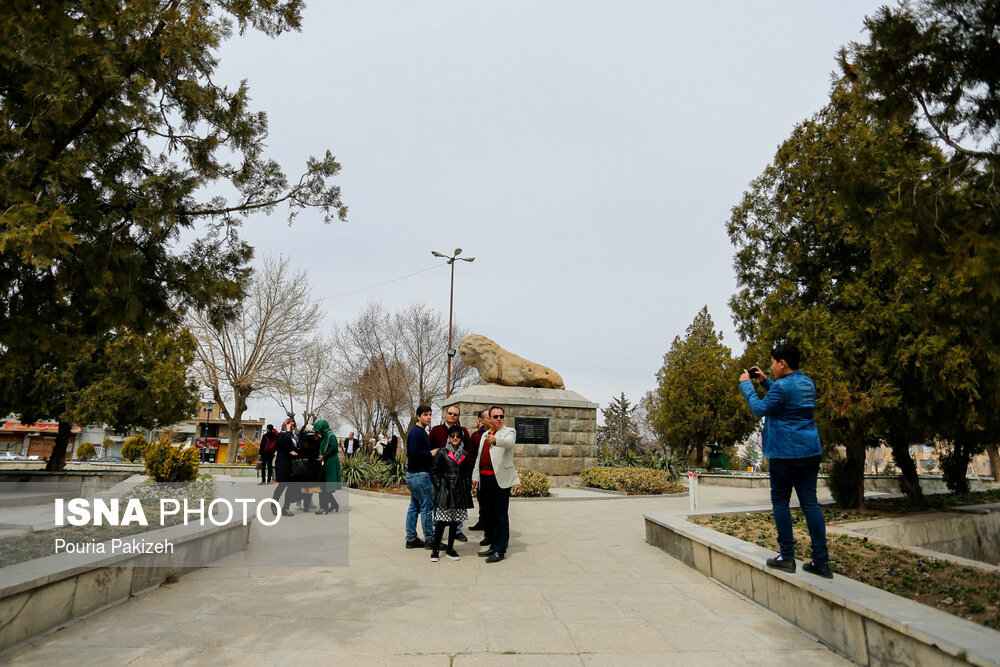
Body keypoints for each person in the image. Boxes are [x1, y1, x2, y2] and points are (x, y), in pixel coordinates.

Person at [739, 342, 831, 579]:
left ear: (783, 363)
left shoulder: (781, 387)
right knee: (810, 504)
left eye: (772, 363)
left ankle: (786, 557)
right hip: (810, 452)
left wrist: (747, 386)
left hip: (784, 454)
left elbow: (760, 409)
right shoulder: (807, 383)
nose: (770, 366)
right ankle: (821, 562)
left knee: (780, 502)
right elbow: (785, 398)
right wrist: (764, 381)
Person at [473, 405, 518, 563]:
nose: (499, 419)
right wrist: (475, 477)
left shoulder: (509, 432)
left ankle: (500, 549)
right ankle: (493, 545)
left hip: (500, 480)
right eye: (496, 416)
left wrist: (496, 440)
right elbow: (479, 458)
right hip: (485, 480)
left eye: (501, 416)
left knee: (499, 515)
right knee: (489, 515)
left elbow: (509, 443)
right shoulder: (485, 434)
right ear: (489, 419)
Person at [429, 425, 474, 562]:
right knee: (442, 521)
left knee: (455, 522)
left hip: (459, 492)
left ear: (461, 438)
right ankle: (435, 550)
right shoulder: (442, 452)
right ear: (448, 437)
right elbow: (434, 471)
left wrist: (467, 487)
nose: (455, 438)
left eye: (458, 436)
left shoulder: (465, 455)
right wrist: (439, 485)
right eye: (452, 435)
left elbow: (467, 473)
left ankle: (450, 549)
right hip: (445, 491)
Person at [405, 406, 436, 549]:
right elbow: (412, 453)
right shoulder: (417, 432)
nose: (428, 417)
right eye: (425, 415)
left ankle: (411, 539)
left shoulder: (420, 432)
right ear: (418, 417)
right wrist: (431, 453)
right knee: (426, 507)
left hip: (414, 475)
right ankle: (430, 539)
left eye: (430, 414)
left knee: (414, 506)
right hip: (419, 475)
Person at [271, 419, 300, 517]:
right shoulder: (281, 435)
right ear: (285, 425)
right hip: (283, 463)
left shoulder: (295, 437)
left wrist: (296, 452)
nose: (292, 427)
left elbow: (296, 448)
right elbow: (281, 444)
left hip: (292, 464)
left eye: (293, 426)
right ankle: (274, 504)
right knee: (282, 485)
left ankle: (286, 508)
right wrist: (287, 432)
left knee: (291, 486)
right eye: (290, 425)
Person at [467, 409, 489, 533]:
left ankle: (488, 526)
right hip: (479, 472)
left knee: (489, 501)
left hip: (491, 473)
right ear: (482, 419)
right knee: (481, 498)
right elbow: (471, 454)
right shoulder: (476, 435)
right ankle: (482, 522)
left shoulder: (495, 433)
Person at [314, 419, 341, 514]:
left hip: (330, 463)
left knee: (324, 486)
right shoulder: (325, 436)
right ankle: (334, 505)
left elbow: (333, 448)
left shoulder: (330, 436)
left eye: (318, 430)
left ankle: (323, 508)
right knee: (325, 486)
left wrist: (324, 457)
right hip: (327, 462)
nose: (317, 432)